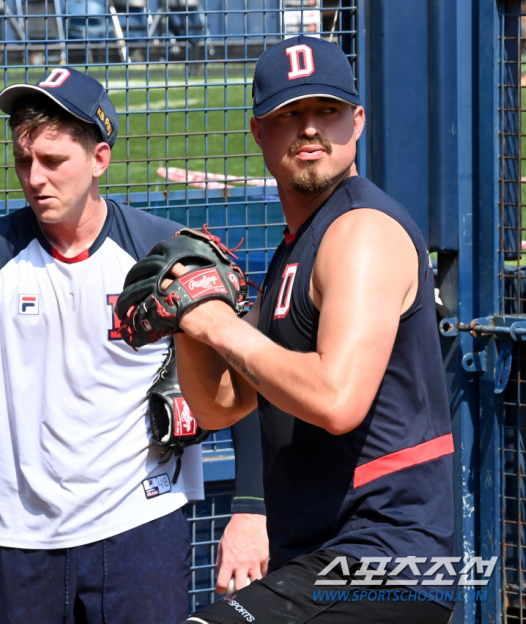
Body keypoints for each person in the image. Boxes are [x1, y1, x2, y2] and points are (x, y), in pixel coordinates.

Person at [0, 66, 266, 623]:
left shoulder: (162, 251)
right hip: (19, 535)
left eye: (53, 161)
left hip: (140, 526)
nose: (35, 178)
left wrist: (250, 510)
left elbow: (241, 376)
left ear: (99, 160)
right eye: (24, 162)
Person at [166, 36, 456, 623]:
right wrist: (186, 323)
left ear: (358, 121)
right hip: (321, 559)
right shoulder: (297, 249)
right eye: (289, 113)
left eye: (326, 110)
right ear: (258, 132)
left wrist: (220, 326)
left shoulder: (361, 232)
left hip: (386, 561)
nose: (309, 129)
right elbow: (224, 405)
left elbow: (335, 398)